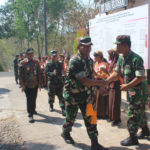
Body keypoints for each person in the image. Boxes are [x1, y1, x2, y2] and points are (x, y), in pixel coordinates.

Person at [61, 36, 108, 150]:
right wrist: (101, 83)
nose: (87, 49)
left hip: (87, 96)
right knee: (70, 118)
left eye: (89, 46)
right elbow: (84, 81)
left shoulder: (90, 61)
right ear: (79, 47)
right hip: (73, 95)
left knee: (91, 119)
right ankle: (65, 132)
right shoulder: (74, 61)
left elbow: (91, 77)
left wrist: (98, 87)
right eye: (84, 46)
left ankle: (95, 143)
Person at [106, 35, 150, 146]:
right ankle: (145, 131)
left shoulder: (136, 59)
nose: (116, 47)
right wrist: (106, 81)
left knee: (133, 113)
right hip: (131, 91)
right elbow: (117, 73)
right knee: (139, 111)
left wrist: (127, 86)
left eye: (118, 45)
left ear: (126, 46)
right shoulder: (121, 58)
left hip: (139, 92)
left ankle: (132, 137)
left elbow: (140, 77)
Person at [19, 48, 41, 123]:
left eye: (31, 54)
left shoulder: (36, 62)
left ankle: (33, 109)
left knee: (34, 98)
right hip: (27, 85)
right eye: (29, 54)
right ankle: (30, 114)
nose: (30, 55)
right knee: (29, 99)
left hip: (35, 84)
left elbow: (39, 73)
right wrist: (22, 85)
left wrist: (40, 83)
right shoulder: (23, 63)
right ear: (26, 55)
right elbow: (20, 75)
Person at [45, 50, 65, 116]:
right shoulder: (48, 64)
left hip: (59, 83)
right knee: (51, 95)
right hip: (52, 82)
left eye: (56, 56)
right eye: (53, 56)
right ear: (51, 56)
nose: (55, 57)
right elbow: (46, 72)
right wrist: (52, 73)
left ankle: (63, 108)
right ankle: (51, 105)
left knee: (61, 96)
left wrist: (63, 73)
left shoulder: (60, 63)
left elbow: (62, 71)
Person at [107, 49, 121, 126]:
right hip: (111, 84)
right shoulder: (112, 63)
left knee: (115, 102)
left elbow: (116, 76)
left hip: (116, 85)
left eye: (109, 54)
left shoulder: (116, 64)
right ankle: (112, 117)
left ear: (112, 55)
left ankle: (116, 119)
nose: (108, 56)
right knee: (111, 101)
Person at [94, 51, 109, 119]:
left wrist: (98, 74)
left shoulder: (104, 64)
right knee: (97, 98)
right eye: (94, 56)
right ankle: (97, 113)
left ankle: (103, 114)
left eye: (96, 56)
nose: (94, 57)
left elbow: (105, 74)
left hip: (101, 82)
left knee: (102, 98)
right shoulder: (95, 64)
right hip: (95, 82)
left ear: (99, 57)